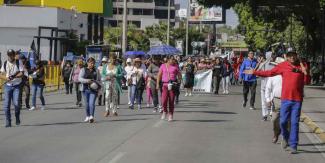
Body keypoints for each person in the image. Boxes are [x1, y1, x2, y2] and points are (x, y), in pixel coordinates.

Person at [244, 51, 307, 154]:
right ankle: (286, 137)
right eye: (290, 56)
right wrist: (255, 72)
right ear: (287, 57)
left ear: (296, 56)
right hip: (285, 99)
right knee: (282, 122)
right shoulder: (283, 66)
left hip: (297, 100)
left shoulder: (301, 66)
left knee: (295, 123)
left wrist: (304, 69)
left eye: (294, 56)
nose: (292, 58)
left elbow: (307, 78)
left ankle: (293, 145)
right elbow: (269, 73)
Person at [0, 49, 24, 127]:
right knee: (6, 106)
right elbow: (0, 74)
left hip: (17, 85)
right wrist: (6, 78)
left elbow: (21, 73)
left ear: (14, 55)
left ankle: (17, 117)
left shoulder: (18, 62)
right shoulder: (5, 63)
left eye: (12, 55)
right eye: (9, 55)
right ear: (8, 55)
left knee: (16, 103)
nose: (11, 56)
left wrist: (15, 76)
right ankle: (8, 121)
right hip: (8, 86)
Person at [265, 57, 286, 144]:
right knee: (274, 119)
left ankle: (285, 138)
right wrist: (268, 99)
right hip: (276, 100)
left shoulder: (288, 74)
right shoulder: (273, 76)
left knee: (286, 120)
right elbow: (268, 88)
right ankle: (276, 133)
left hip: (287, 100)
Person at [156, 56, 182, 122]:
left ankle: (170, 114)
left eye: (174, 60)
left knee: (171, 100)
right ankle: (165, 111)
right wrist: (157, 84)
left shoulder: (176, 66)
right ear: (168, 60)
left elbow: (179, 75)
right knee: (163, 100)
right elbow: (159, 75)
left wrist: (178, 82)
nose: (173, 61)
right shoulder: (163, 66)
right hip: (164, 85)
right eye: (172, 60)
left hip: (172, 85)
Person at [79, 57, 101, 123]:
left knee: (91, 103)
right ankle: (87, 116)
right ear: (88, 63)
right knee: (86, 104)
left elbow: (99, 80)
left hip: (93, 90)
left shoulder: (96, 71)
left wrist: (97, 84)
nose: (92, 64)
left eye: (93, 63)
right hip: (85, 90)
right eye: (90, 63)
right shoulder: (83, 70)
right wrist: (87, 81)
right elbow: (79, 78)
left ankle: (91, 116)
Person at [257, 54, 275, 121]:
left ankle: (271, 113)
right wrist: (261, 62)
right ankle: (264, 115)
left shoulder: (275, 65)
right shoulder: (263, 64)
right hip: (264, 86)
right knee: (263, 101)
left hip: (272, 87)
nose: (273, 58)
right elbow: (257, 71)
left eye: (273, 56)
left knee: (272, 100)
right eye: (271, 56)